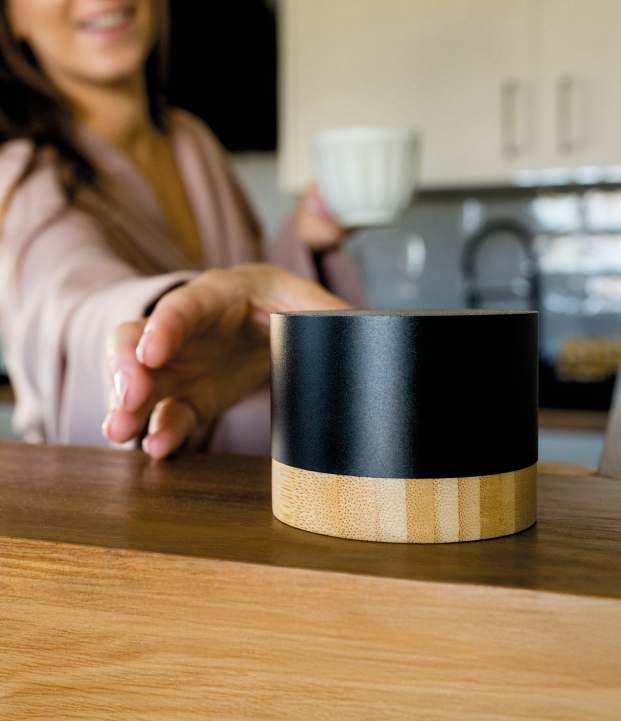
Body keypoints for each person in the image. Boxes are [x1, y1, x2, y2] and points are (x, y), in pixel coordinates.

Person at [0, 0, 364, 459]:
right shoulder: (22, 177)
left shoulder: (191, 141)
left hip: (258, 483)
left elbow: (248, 298)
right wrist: (159, 328)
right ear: (11, 17)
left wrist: (304, 238)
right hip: (134, 494)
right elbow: (70, 309)